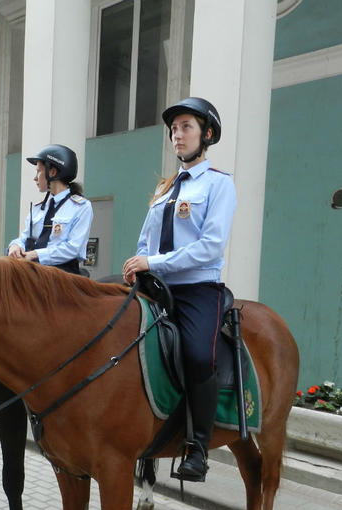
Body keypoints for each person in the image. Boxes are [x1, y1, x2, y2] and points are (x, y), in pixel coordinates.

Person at [122, 97, 236, 482]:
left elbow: (211, 246)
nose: (178, 135)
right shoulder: (164, 188)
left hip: (196, 289)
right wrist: (138, 264)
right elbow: (145, 240)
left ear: (207, 134)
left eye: (186, 127)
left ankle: (198, 448)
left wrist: (153, 263)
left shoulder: (220, 184)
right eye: (174, 129)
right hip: (155, 287)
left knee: (197, 354)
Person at [7, 144, 92, 275]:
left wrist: (35, 254)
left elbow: (73, 248)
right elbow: (25, 238)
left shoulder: (81, 207)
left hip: (64, 275)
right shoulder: (38, 209)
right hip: (34, 272)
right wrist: (15, 246)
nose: (35, 178)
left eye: (39, 171)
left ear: (52, 172)